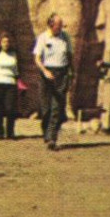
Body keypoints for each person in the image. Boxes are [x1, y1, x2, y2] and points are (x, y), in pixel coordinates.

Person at [33, 14, 73, 150]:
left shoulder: (65, 37)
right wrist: (45, 71)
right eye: (58, 25)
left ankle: (52, 138)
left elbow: (69, 55)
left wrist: (70, 73)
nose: (61, 27)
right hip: (46, 73)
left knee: (57, 107)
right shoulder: (43, 38)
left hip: (61, 73)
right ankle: (46, 132)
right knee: (46, 108)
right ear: (51, 25)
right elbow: (37, 58)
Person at [0, 32, 21, 140]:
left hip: (10, 83)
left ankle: (10, 132)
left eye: (8, 42)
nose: (6, 44)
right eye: (4, 42)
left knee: (10, 108)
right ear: (0, 43)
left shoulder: (13, 54)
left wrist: (18, 80)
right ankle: (0, 132)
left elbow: (16, 69)